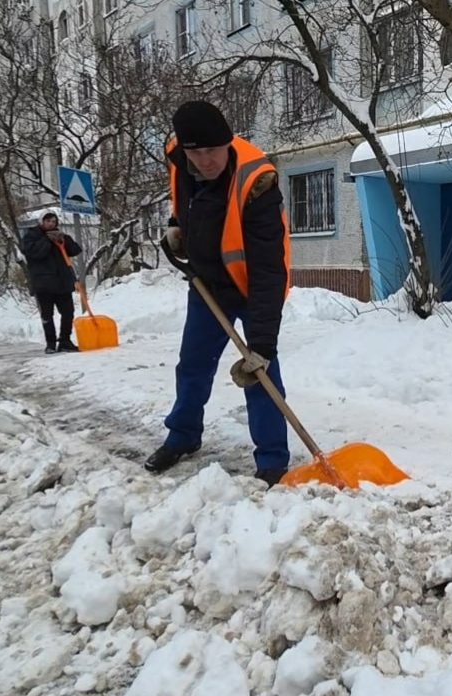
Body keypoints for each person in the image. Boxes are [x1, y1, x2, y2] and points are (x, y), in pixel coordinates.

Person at [146, 100, 292, 487]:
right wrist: (179, 229)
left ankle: (273, 460)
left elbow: (269, 269)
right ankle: (183, 435)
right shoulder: (181, 162)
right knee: (193, 364)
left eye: (213, 150)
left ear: (228, 143)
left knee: (260, 372)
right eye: (197, 152)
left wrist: (261, 342)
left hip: (250, 287)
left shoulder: (257, 183)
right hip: (206, 286)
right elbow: (189, 206)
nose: (206, 160)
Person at [20, 210, 82, 354]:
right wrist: (47, 240)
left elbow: (75, 250)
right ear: (41, 222)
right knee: (47, 315)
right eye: (47, 221)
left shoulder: (59, 235)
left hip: (62, 282)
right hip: (43, 284)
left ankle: (65, 341)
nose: (51, 224)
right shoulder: (31, 236)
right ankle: (51, 344)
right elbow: (35, 253)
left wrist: (63, 240)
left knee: (68, 312)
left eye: (53, 221)